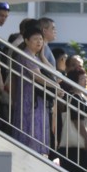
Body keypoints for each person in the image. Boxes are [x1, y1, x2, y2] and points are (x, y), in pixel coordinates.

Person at [11, 26, 53, 155]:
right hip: (28, 99)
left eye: (41, 39)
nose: (39, 42)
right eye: (35, 39)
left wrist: (42, 56)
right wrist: (55, 87)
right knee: (31, 128)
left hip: (37, 99)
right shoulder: (26, 55)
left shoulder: (36, 57)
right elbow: (36, 76)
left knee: (38, 127)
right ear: (26, 40)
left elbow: (54, 73)